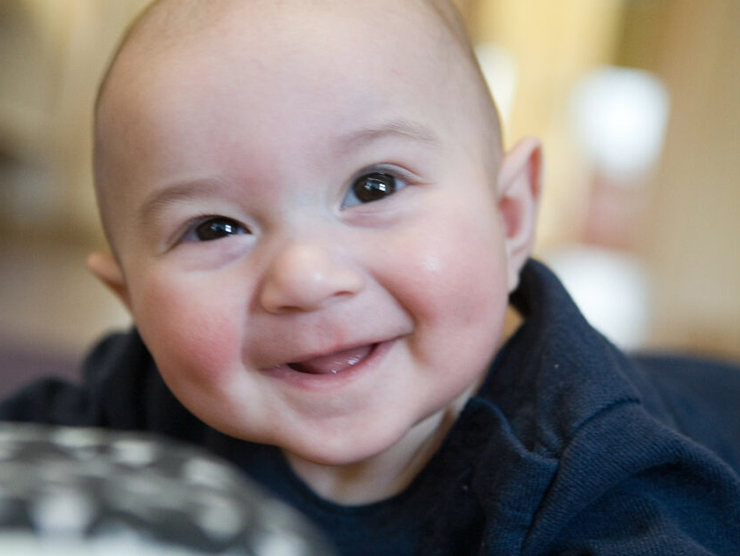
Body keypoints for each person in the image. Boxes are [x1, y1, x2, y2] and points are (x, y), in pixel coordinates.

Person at [2, 0, 739, 553]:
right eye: (214, 228)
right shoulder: (143, 399)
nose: (306, 277)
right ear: (132, 302)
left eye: (375, 186)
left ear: (509, 216)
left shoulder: (603, 476)